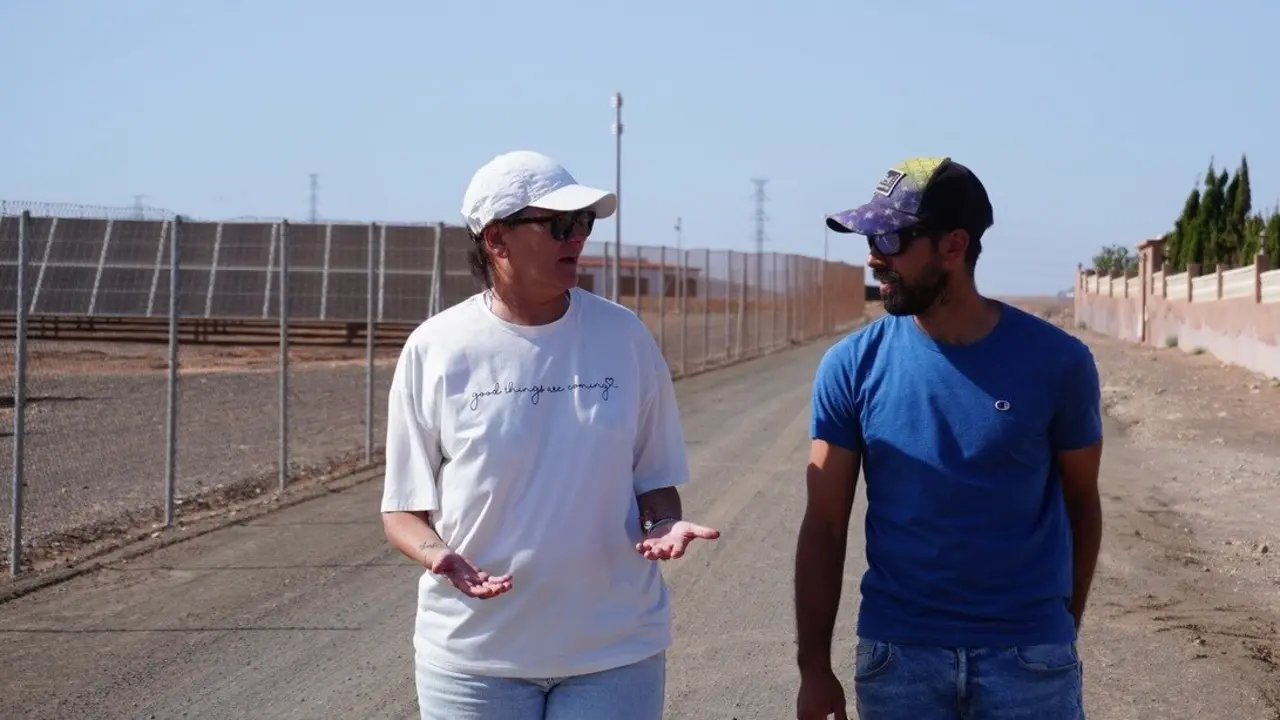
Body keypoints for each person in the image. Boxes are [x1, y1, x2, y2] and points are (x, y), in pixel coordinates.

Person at [380, 149, 720, 720]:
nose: (578, 237)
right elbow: (403, 511)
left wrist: (662, 523)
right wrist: (438, 555)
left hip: (614, 651)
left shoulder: (623, 335)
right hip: (475, 658)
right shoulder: (437, 348)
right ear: (496, 239)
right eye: (559, 224)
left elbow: (655, 481)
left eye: (583, 222)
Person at [793, 156, 1104, 720]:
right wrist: (814, 669)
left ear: (953, 245)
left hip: (1029, 663)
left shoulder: (1060, 364)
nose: (873, 256)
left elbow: (1083, 503)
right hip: (899, 662)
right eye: (869, 237)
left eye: (890, 237)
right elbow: (824, 524)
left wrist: (1057, 632)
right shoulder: (851, 368)